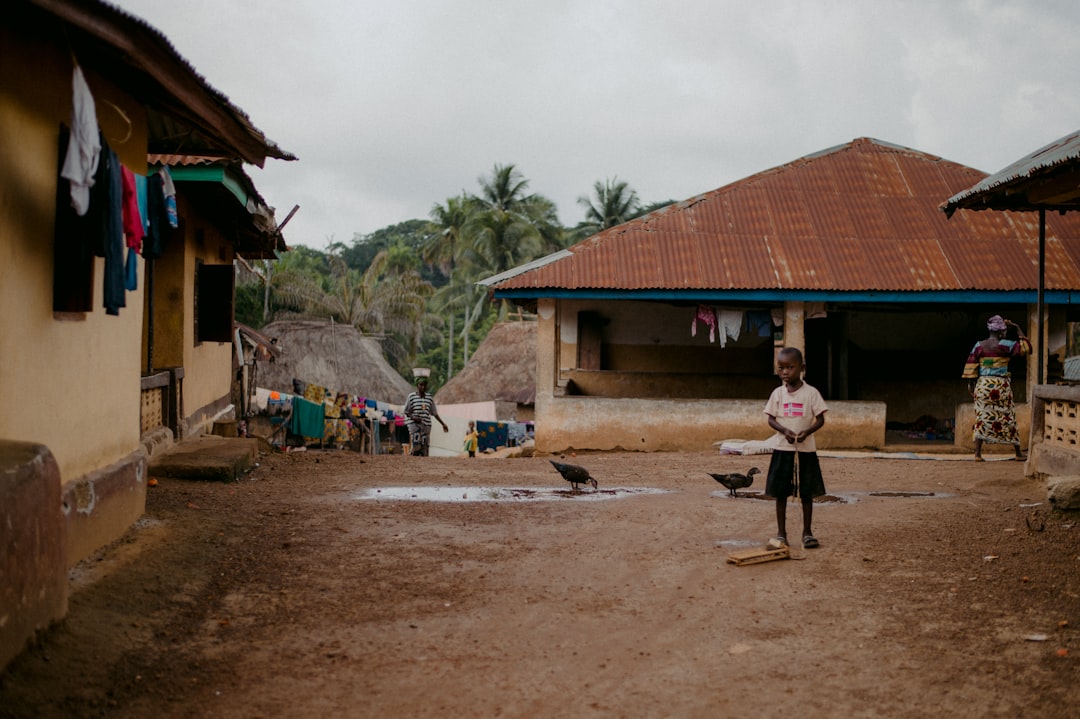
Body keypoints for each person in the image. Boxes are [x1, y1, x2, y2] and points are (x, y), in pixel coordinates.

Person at [764, 347, 828, 549]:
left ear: (802, 368)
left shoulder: (811, 393)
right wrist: (785, 431)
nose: (784, 372)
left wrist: (806, 432)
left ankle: (807, 533)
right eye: (781, 368)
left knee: (806, 492)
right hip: (783, 449)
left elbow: (820, 419)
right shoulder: (777, 394)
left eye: (790, 367)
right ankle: (781, 533)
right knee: (781, 492)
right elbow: (771, 419)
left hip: (806, 450)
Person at [962, 314, 1031, 461]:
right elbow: (1027, 348)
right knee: (1008, 417)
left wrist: (972, 387)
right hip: (1001, 386)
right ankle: (1018, 453)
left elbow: (971, 367)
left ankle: (978, 454)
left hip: (983, 386)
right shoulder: (1006, 345)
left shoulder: (979, 345)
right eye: (1004, 331)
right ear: (1000, 332)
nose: (1005, 333)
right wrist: (1018, 329)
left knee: (982, 418)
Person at [403, 377, 448, 456]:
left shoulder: (429, 397)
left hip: (426, 424)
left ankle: (424, 465)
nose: (423, 387)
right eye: (421, 385)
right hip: (414, 423)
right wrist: (414, 418)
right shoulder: (412, 396)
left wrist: (443, 424)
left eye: (425, 385)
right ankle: (413, 459)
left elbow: (434, 413)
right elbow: (406, 411)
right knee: (416, 444)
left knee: (425, 445)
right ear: (417, 385)